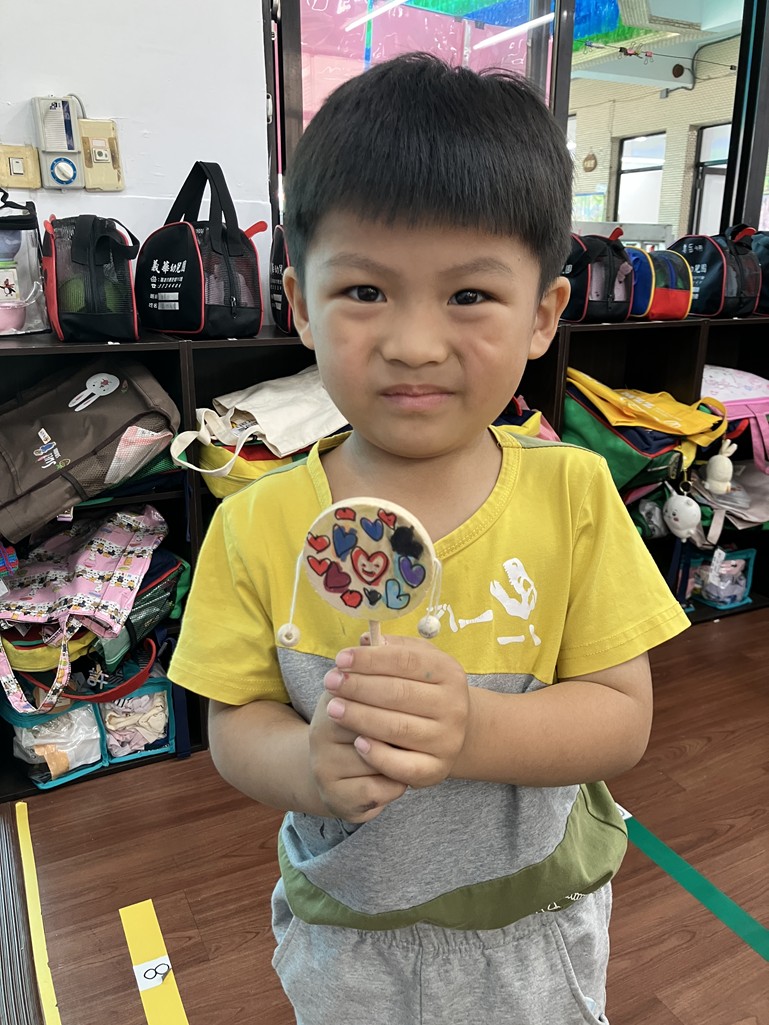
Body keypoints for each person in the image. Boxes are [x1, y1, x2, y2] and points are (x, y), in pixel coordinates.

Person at [168, 53, 690, 1024]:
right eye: (365, 291)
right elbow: (234, 723)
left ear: (541, 315)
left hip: (534, 925)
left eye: (469, 296)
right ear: (300, 303)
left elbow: (622, 719)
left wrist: (469, 729)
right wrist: (307, 764)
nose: (413, 343)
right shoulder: (256, 523)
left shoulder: (573, 493)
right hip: (350, 931)